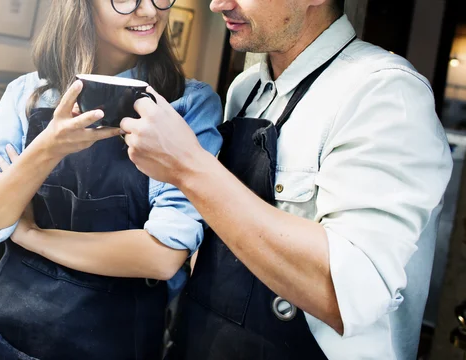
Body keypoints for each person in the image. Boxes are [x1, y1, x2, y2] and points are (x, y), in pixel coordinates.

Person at [120, 0, 453, 359]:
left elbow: (349, 293)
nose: (218, 4)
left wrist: (188, 167)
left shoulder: (385, 93)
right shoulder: (246, 90)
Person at [0, 0, 223, 357]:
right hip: (1, 336)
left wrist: (32, 235)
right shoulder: (28, 95)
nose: (149, 10)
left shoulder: (187, 106)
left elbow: (162, 255)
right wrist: (48, 148)